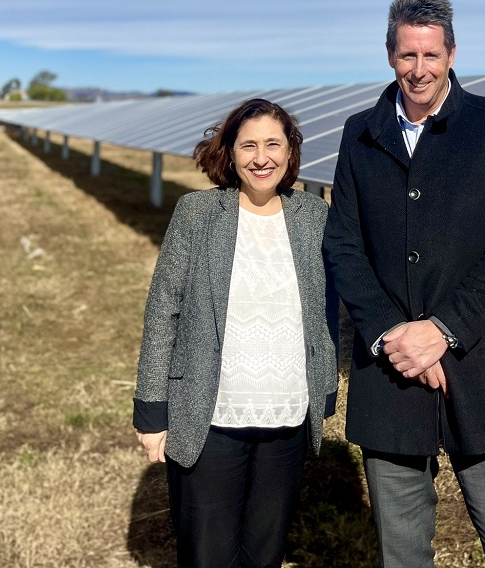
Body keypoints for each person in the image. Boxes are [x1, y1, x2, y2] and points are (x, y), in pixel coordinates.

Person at [323, 0, 485, 567]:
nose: (418, 69)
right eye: (406, 55)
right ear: (389, 55)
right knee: (402, 554)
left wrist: (442, 330)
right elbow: (344, 246)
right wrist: (393, 336)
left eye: (430, 54)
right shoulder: (361, 134)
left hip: (480, 363)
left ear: (451, 53)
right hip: (391, 370)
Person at [133, 98, 339, 568]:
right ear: (230, 152)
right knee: (208, 556)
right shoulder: (198, 213)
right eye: (248, 145)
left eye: (273, 144)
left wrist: (323, 392)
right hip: (211, 419)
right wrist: (151, 413)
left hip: (286, 416)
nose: (261, 157)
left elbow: (326, 312)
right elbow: (163, 312)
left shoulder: (313, 216)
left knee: (264, 556)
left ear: (291, 152)